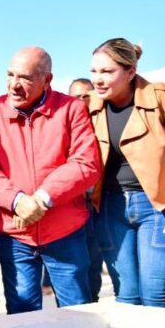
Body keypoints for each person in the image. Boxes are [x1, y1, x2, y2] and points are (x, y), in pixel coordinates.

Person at [0, 47, 100, 314]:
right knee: (22, 313)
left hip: (66, 232)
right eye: (10, 75)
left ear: (47, 80)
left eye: (26, 78)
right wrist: (16, 201)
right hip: (14, 235)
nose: (14, 85)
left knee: (79, 312)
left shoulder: (71, 109)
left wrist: (41, 198)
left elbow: (86, 162)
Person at [88, 38, 165, 308]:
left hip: (159, 209)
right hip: (110, 209)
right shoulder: (88, 105)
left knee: (156, 295)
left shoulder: (160, 96)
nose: (98, 80)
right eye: (94, 71)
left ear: (130, 71)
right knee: (126, 297)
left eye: (107, 72)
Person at [66, 77, 105, 301]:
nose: (82, 100)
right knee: (80, 259)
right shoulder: (65, 127)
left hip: (101, 203)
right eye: (76, 96)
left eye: (86, 95)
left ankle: (95, 297)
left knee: (96, 258)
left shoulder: (104, 122)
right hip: (76, 204)